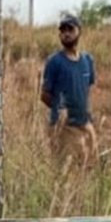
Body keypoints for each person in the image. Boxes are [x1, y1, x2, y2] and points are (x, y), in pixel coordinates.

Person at [40, 14, 97, 166]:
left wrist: (88, 114)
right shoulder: (55, 61)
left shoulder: (87, 60)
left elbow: (87, 89)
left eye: (70, 29)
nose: (66, 33)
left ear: (79, 32)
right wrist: (60, 109)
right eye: (62, 30)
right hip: (64, 127)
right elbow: (44, 94)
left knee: (88, 169)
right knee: (66, 174)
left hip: (85, 124)